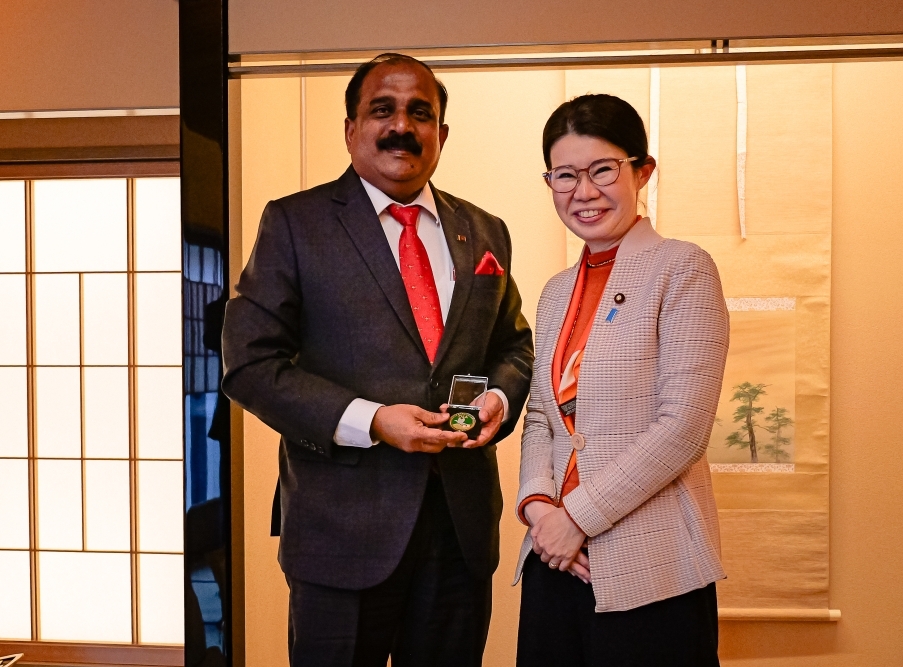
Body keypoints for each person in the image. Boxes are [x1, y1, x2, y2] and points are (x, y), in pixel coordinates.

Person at [222, 53, 533, 667]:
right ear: (351, 129)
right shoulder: (295, 223)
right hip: (340, 534)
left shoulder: (485, 230)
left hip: (459, 532)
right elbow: (249, 363)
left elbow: (515, 345)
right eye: (382, 110)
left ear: (441, 133)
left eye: (420, 113)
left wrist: (499, 396)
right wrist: (371, 420)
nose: (401, 127)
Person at [514, 94, 728, 666]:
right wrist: (539, 509)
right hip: (554, 558)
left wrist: (577, 518)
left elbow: (683, 427)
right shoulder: (556, 290)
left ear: (642, 171)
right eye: (565, 175)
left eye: (602, 170)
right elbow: (541, 417)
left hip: (651, 565)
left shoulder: (683, 268)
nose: (583, 192)